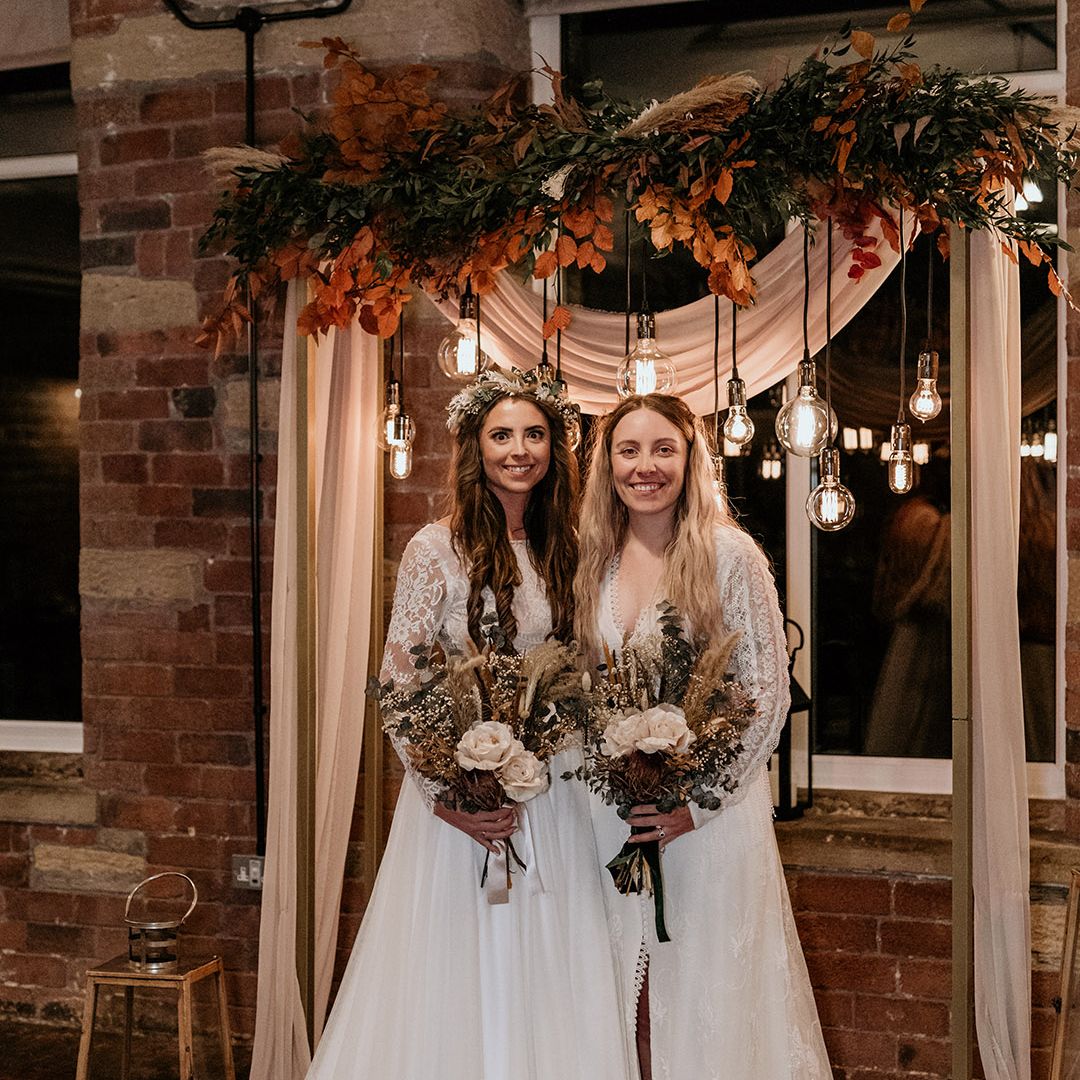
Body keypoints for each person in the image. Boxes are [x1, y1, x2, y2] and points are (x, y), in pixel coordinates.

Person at [306, 368, 632, 1080]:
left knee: (551, 961)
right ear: (475, 447)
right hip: (463, 797)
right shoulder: (437, 549)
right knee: (459, 966)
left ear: (554, 449)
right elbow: (399, 681)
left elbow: (583, 667)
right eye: (502, 435)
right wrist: (450, 795)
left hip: (554, 792)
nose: (520, 450)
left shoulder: (567, 547)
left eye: (535, 435)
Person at [574, 393, 831, 1080]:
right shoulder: (594, 559)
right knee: (628, 1003)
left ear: (691, 460)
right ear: (608, 465)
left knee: (701, 998)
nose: (646, 466)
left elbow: (767, 693)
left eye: (664, 449)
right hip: (618, 816)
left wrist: (697, 805)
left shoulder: (729, 554)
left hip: (705, 823)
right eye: (629, 450)